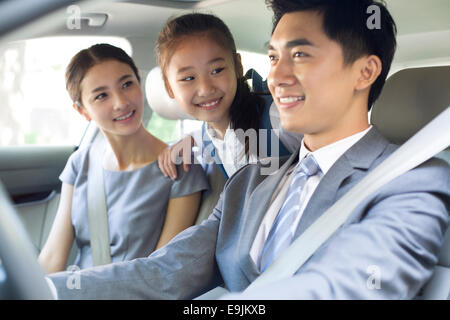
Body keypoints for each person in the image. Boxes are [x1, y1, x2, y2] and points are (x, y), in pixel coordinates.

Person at [48, 0, 449, 299]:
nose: (275, 75)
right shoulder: (249, 181)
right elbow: (166, 270)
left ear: (365, 72)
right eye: (273, 56)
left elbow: (344, 286)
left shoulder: (414, 180)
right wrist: (49, 289)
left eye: (300, 55)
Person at [38, 44, 208, 273]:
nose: (121, 102)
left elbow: (159, 272)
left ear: (139, 83)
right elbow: (52, 258)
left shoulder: (181, 166)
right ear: (83, 111)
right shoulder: (80, 163)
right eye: (101, 96)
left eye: (127, 84)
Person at [155, 13, 301, 181]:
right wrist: (189, 140)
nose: (205, 89)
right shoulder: (208, 137)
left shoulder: (277, 117)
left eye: (216, 71)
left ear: (238, 66)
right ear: (169, 87)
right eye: (188, 78)